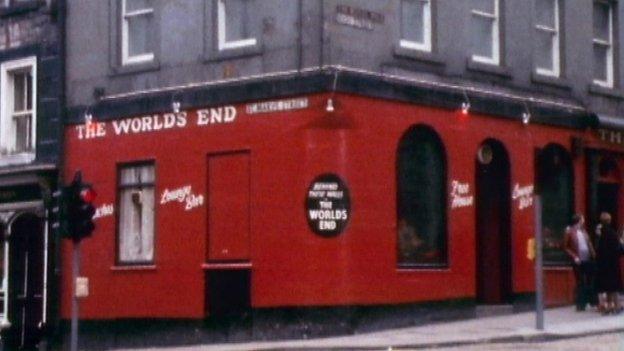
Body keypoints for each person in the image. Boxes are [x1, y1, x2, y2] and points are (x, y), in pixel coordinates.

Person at [564, 214, 596, 311]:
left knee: (590, 280)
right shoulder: (569, 231)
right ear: (578, 220)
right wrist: (574, 257)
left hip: (587, 259)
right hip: (578, 260)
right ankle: (580, 305)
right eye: (582, 219)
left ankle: (591, 301)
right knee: (581, 281)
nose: (584, 220)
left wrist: (594, 255)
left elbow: (589, 243)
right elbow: (566, 247)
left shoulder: (583, 230)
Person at [594, 212, 623, 314]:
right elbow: (618, 250)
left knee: (606, 287)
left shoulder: (599, 234)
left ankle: (608, 307)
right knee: (614, 287)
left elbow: (597, 249)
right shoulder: (612, 234)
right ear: (609, 221)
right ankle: (617, 306)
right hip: (612, 264)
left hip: (602, 264)